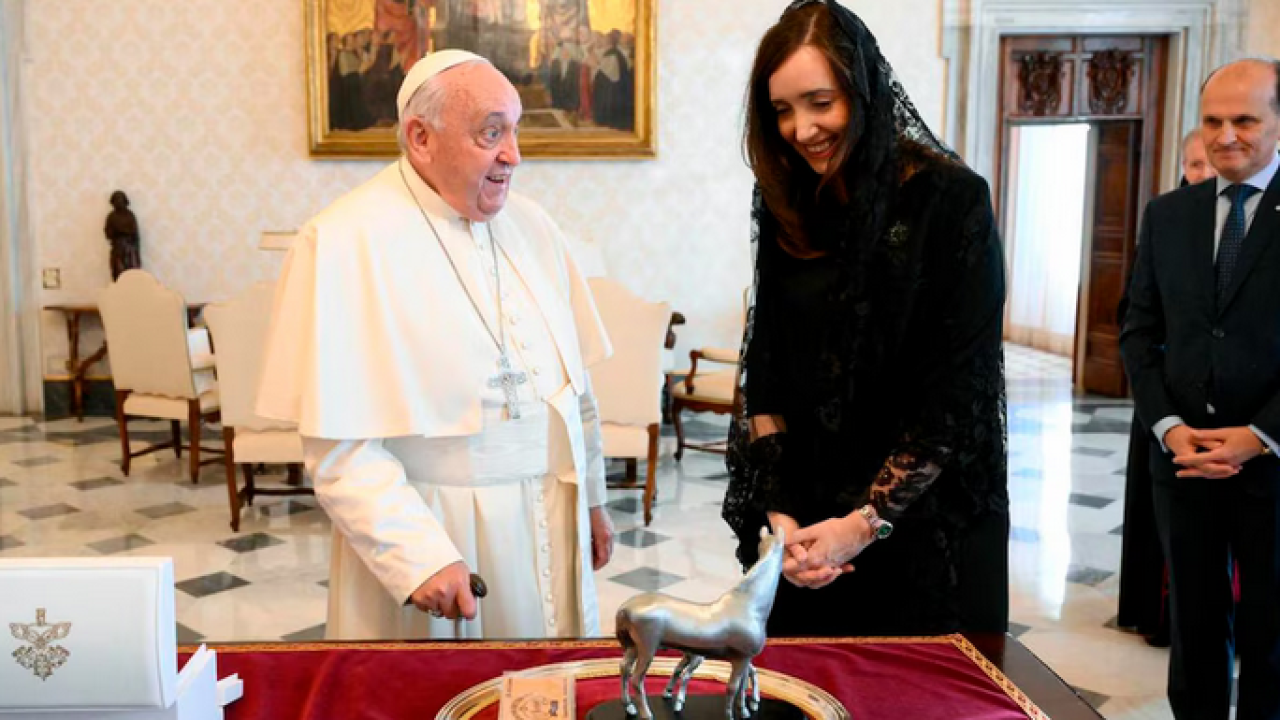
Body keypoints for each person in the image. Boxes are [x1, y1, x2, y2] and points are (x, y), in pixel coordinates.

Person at [257, 49, 616, 640]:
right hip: (438, 529)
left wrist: (594, 499)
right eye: (490, 133)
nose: (514, 155)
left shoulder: (534, 227)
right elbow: (339, 447)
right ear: (421, 138)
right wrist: (419, 555)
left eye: (515, 130)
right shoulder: (345, 241)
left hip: (553, 514)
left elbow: (574, 388)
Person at [722, 0, 1009, 637]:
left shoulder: (950, 200)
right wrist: (782, 519)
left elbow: (958, 398)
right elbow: (764, 366)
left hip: (920, 520)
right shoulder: (787, 201)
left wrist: (863, 524)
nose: (801, 130)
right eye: (782, 110)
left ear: (865, 89)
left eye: (820, 102)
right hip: (808, 529)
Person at [1121, 57, 1280, 720]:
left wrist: (1258, 435)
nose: (1226, 135)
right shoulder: (1168, 215)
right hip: (1182, 462)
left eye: (1244, 119)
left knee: (1270, 628)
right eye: (1213, 120)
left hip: (1271, 463)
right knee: (1192, 624)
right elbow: (1137, 330)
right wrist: (1169, 428)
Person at [1116, 128, 1219, 648]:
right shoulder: (1167, 220)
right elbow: (1135, 319)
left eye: (1209, 165)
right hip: (1167, 406)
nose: (1203, 173)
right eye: (1194, 164)